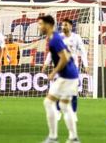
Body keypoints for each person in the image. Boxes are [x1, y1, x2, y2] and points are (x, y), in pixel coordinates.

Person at [38, 15, 80, 143]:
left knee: (48, 102)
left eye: (41, 24)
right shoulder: (54, 37)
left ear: (48, 25)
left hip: (67, 76)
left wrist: (53, 72)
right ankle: (73, 138)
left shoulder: (55, 39)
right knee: (64, 105)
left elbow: (65, 57)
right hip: (70, 75)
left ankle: (53, 137)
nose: (39, 27)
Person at [43, 19, 89, 118]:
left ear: (71, 26)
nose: (64, 27)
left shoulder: (76, 38)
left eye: (66, 25)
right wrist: (46, 63)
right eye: (62, 25)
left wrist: (86, 65)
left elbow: (83, 51)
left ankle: (74, 113)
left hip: (73, 68)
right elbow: (52, 52)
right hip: (61, 67)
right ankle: (58, 112)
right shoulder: (58, 37)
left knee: (74, 92)